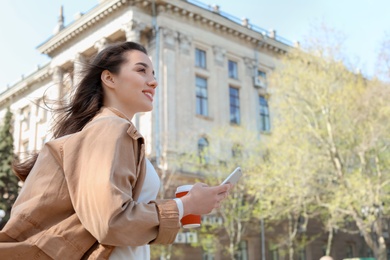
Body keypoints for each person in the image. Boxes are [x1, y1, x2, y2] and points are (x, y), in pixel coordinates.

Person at [0, 41, 231, 259]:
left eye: (154, 74)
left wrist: (182, 207)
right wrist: (187, 205)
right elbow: (110, 221)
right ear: (109, 78)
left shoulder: (109, 130)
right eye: (141, 71)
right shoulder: (111, 128)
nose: (153, 82)